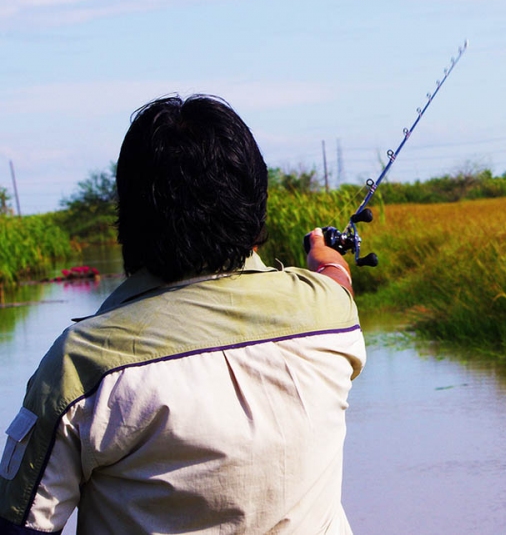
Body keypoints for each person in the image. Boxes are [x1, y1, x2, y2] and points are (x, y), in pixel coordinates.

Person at [0, 95, 365, 534]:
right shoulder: (331, 317)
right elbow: (337, 280)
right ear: (255, 205)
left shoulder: (81, 366)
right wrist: (324, 254)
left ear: (129, 215)